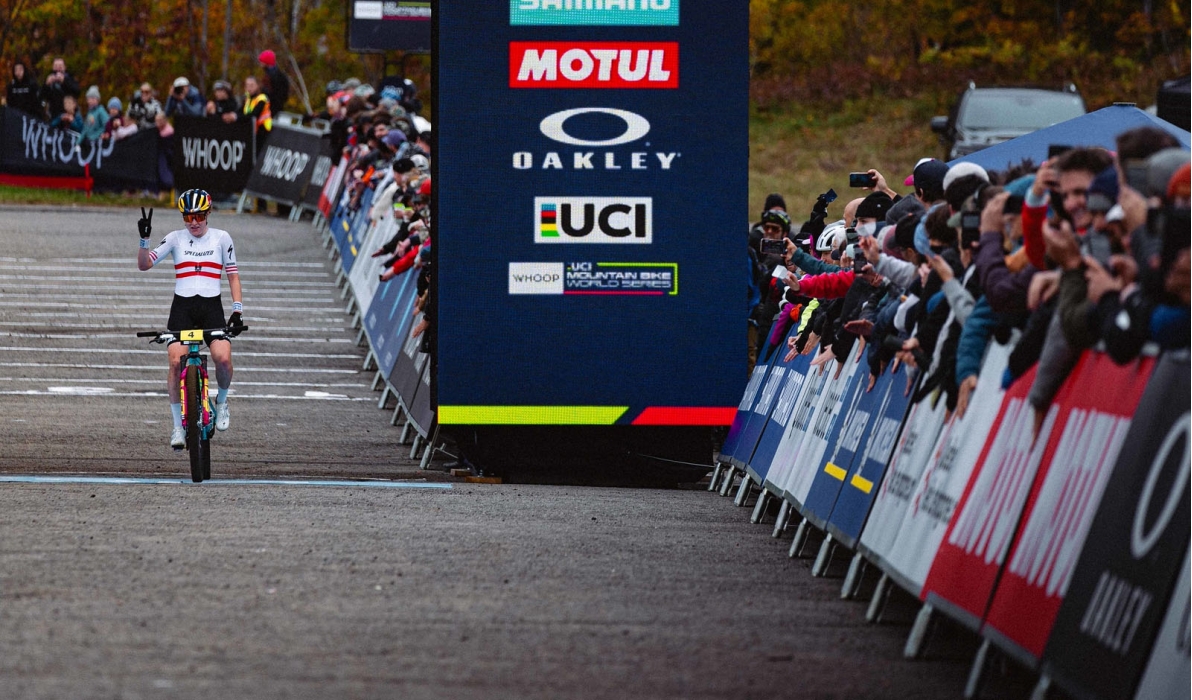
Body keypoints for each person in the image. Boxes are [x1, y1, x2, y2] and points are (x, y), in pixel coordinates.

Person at [137, 190, 244, 448]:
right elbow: (144, 265)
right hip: (182, 310)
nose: (193, 223)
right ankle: (177, 427)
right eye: (188, 217)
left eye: (198, 216)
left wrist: (237, 310)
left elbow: (232, 275)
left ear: (207, 214)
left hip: (212, 310)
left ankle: (222, 402)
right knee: (175, 363)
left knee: (223, 359)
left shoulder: (221, 238)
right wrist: (144, 239)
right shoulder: (175, 238)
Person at [38, 57, 80, 122]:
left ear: (64, 67)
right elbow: (41, 97)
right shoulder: (49, 79)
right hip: (54, 115)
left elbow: (77, 92)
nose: (58, 69)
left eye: (60, 66)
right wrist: (46, 85)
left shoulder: (70, 78)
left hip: (69, 115)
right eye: (56, 66)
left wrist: (64, 81)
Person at [258, 50, 290, 114]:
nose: (260, 63)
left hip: (272, 109)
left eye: (262, 61)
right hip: (276, 107)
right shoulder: (278, 74)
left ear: (266, 62)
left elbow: (274, 94)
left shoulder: (272, 76)